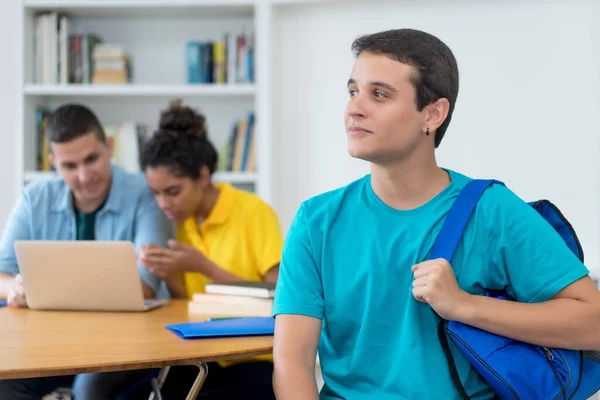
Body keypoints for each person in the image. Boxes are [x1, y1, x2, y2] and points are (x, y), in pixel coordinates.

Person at [271, 28, 600, 400]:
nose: (354, 108)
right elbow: (292, 361)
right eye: (352, 91)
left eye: (379, 94)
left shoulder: (491, 210)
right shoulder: (316, 221)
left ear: (433, 114)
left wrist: (465, 305)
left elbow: (593, 323)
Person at [0, 104, 171, 400]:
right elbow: (1, 273)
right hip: (47, 341)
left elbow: (144, 287)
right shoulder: (34, 198)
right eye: (69, 166)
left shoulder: (144, 195)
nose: (84, 175)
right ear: (53, 163)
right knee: (5, 384)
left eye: (91, 159)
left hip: (122, 343)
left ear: (109, 146)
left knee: (90, 390)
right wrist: (14, 286)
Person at [138, 99, 283, 399]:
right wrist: (168, 273)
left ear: (203, 177)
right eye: (156, 193)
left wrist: (203, 266)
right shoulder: (178, 222)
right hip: (203, 353)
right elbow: (188, 303)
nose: (163, 204)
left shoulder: (253, 212)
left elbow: (279, 298)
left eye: (173, 191)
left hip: (254, 357)